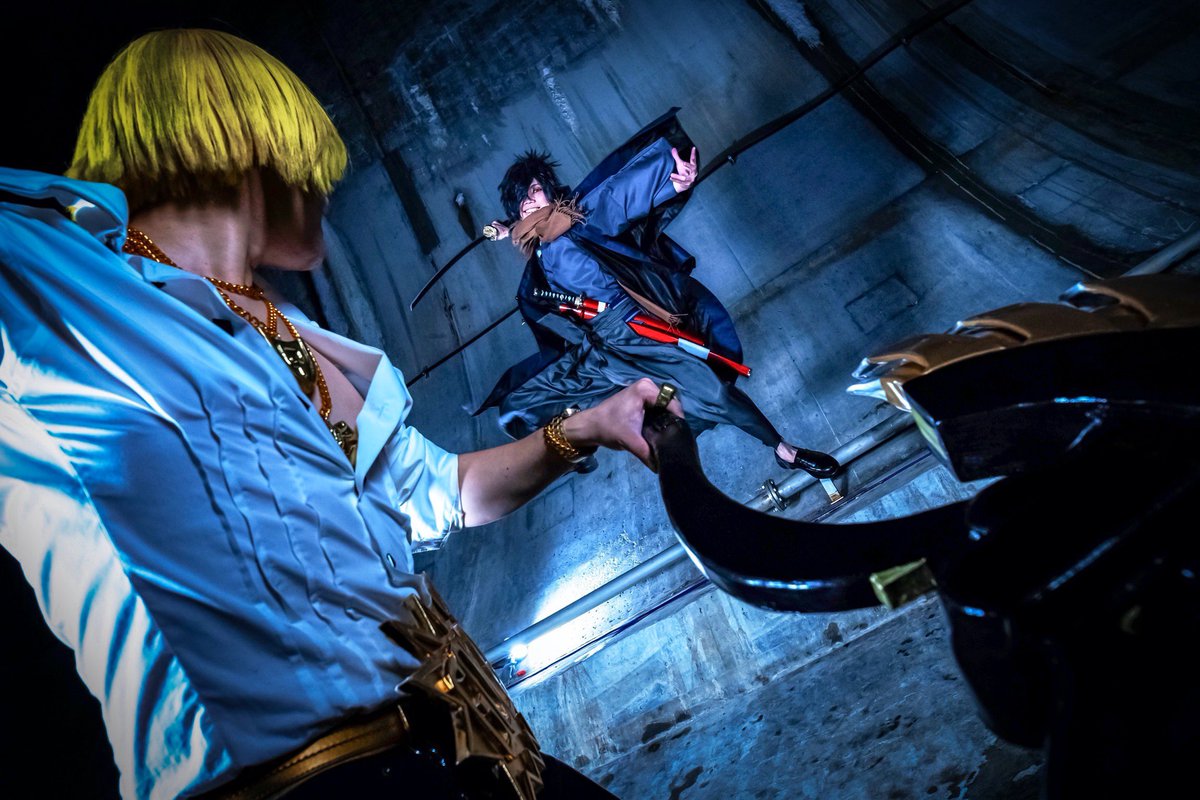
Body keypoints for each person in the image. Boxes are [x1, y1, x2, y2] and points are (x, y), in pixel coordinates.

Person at [0, 28, 682, 800]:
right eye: (309, 148)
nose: (328, 176)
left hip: (465, 754)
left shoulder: (311, 344)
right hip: (293, 786)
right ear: (242, 135)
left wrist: (582, 428)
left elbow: (445, 492)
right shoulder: (44, 276)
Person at [478, 113, 840, 479]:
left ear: (550, 190)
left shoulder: (579, 217)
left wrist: (672, 183)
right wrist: (506, 229)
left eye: (534, 191)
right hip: (602, 350)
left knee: (711, 391)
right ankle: (575, 451)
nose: (529, 202)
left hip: (635, 330)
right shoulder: (537, 247)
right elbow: (527, 228)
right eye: (521, 202)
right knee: (523, 401)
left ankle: (784, 450)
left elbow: (620, 196)